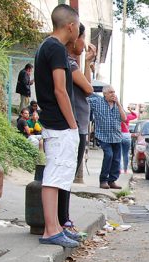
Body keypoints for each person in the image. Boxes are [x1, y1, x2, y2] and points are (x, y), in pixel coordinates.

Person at [34, 3, 81, 247]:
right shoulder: (57, 49)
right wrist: (72, 124)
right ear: (71, 26)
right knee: (54, 176)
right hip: (59, 122)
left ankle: (55, 227)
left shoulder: (45, 46)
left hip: (52, 120)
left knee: (56, 175)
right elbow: (60, 90)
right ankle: (51, 229)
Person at [62, 22, 96, 228]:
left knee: (69, 174)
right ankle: (62, 220)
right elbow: (88, 88)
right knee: (66, 175)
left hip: (78, 124)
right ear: (74, 35)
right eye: (83, 38)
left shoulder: (72, 62)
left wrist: (87, 62)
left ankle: (63, 219)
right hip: (73, 125)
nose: (84, 45)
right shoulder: (66, 60)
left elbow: (86, 87)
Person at [88, 85, 126, 189]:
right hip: (103, 136)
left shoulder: (118, 105)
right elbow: (85, 97)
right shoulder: (97, 102)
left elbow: (124, 118)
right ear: (104, 94)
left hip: (116, 137)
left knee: (116, 160)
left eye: (114, 92)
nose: (113, 94)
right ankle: (103, 180)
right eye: (110, 92)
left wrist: (118, 103)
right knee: (109, 155)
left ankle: (112, 180)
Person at [120, 105, 138, 173]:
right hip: (127, 135)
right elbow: (135, 115)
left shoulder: (117, 117)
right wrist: (130, 110)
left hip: (119, 135)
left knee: (119, 154)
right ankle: (125, 170)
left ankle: (119, 169)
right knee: (126, 154)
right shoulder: (126, 117)